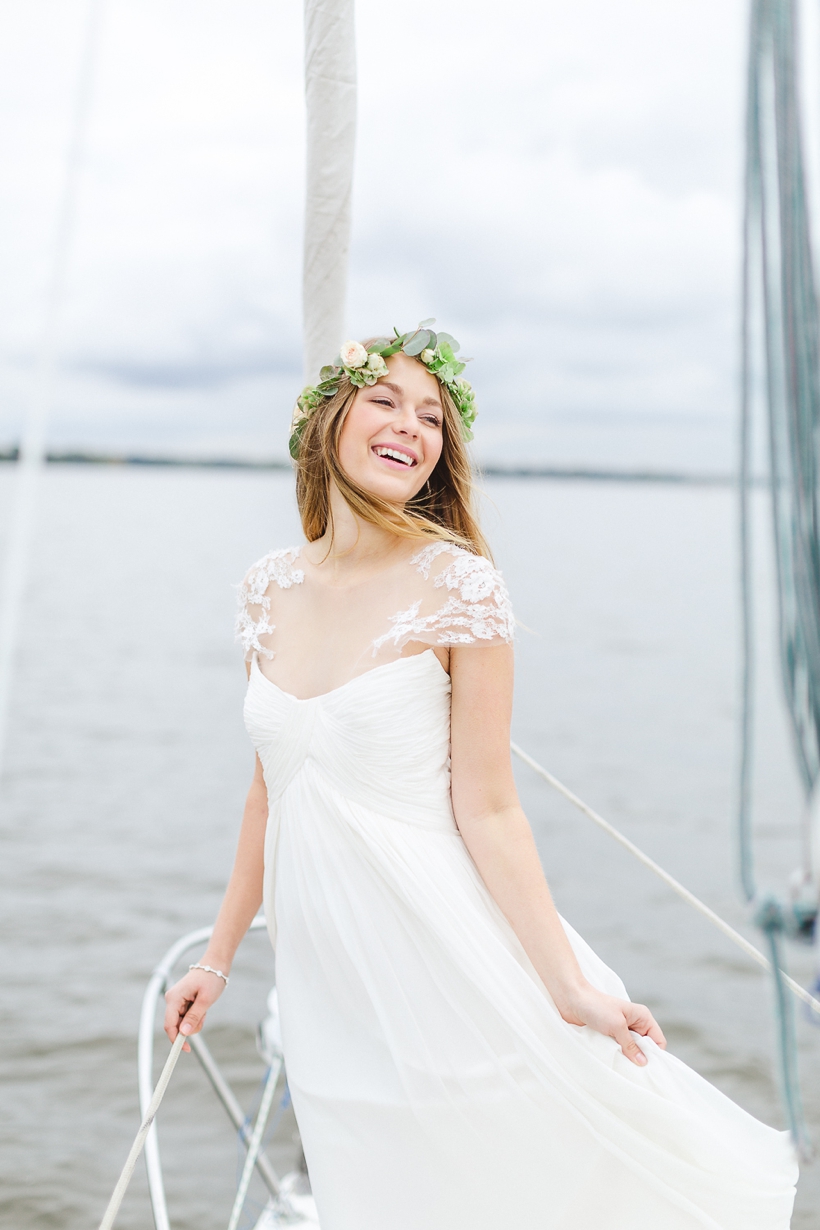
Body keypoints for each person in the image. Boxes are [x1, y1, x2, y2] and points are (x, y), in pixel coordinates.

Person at [165, 326, 797, 1228]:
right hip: (324, 971)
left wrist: (570, 986)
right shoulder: (266, 590)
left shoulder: (461, 587)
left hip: (441, 940)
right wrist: (217, 958)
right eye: (384, 399)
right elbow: (269, 789)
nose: (409, 426)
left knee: (513, 1174)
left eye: (432, 416)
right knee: (373, 1186)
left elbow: (491, 806)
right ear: (330, 421)